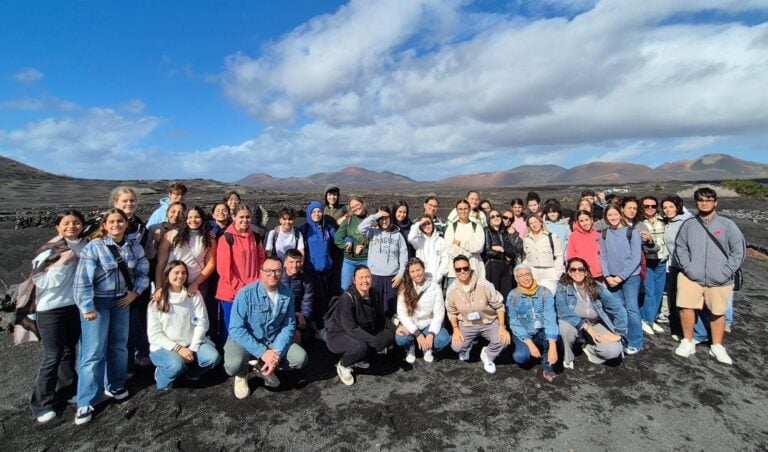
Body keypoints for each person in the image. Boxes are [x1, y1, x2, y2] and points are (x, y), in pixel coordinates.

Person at [73, 208, 150, 425]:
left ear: (126, 224)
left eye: (121, 221)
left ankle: (115, 384)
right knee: (93, 351)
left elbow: (143, 271)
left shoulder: (133, 246)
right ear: (104, 225)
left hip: (121, 302)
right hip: (98, 303)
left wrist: (135, 292)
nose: (117, 225)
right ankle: (86, 400)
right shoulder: (94, 248)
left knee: (119, 345)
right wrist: (86, 307)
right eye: (112, 222)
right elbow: (83, 280)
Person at [673, 187, 745, 365]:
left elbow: (738, 251)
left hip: (720, 278)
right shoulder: (689, 224)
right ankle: (687, 341)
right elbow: (680, 247)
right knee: (686, 307)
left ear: (715, 202)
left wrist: (726, 271)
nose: (704, 203)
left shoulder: (727, 225)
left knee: (718, 312)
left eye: (708, 200)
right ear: (696, 202)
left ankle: (717, 346)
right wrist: (688, 268)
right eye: (700, 200)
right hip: (691, 276)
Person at [29, 210, 87, 424]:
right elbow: (40, 280)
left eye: (76, 223)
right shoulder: (49, 250)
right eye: (67, 223)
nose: (72, 226)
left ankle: (66, 391)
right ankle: (41, 403)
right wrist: (63, 263)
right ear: (58, 227)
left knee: (69, 351)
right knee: (52, 355)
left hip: (73, 306)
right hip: (50, 308)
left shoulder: (84, 245)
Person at [223, 257, 308, 398]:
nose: (273, 275)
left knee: (300, 358)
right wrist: (262, 352)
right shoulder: (246, 293)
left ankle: (265, 366)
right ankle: (242, 373)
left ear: (282, 272)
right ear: (261, 272)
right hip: (245, 340)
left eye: (277, 271)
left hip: (272, 340)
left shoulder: (287, 294)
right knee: (233, 365)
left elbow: (289, 325)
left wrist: (277, 353)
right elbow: (236, 329)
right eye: (268, 271)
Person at [148, 261, 220, 391]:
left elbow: (202, 323)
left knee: (212, 357)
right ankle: (162, 378)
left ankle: (191, 373)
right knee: (175, 365)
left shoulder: (193, 294)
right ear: (167, 274)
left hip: (189, 344)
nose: (180, 276)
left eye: (183, 273)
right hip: (165, 347)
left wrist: (192, 348)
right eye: (176, 273)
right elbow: (154, 335)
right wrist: (178, 348)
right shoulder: (158, 300)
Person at [155, 206, 218, 342]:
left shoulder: (209, 238)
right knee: (170, 316)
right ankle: (172, 348)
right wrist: (159, 287)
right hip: (172, 284)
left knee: (195, 318)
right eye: (190, 217)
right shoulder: (172, 235)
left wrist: (196, 283)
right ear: (185, 218)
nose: (193, 220)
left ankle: (195, 346)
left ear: (203, 219)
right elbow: (161, 262)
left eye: (197, 217)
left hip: (197, 284)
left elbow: (211, 264)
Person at [325, 265, 395, 386]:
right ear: (354, 280)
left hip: (361, 331)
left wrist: (396, 328)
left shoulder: (375, 293)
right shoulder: (347, 299)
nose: (365, 281)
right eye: (361, 277)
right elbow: (351, 328)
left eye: (367, 277)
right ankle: (344, 364)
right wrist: (374, 341)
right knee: (360, 347)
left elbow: (381, 318)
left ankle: (359, 358)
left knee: (388, 335)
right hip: (339, 335)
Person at [555, 258, 626, 369]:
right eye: (573, 269)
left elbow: (618, 308)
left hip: (595, 323)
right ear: (568, 272)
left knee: (613, 351)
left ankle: (588, 348)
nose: (577, 272)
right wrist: (585, 327)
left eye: (580, 269)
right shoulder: (562, 287)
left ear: (586, 271)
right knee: (565, 328)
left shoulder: (597, 286)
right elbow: (562, 312)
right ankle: (568, 356)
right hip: (574, 322)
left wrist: (619, 333)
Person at [446, 256, 510, 374]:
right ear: (455, 271)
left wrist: (502, 327)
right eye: (458, 269)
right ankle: (467, 346)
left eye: (465, 268)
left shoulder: (485, 285)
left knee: (503, 340)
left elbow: (499, 306)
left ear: (470, 268)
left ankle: (488, 355)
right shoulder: (451, 290)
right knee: (457, 347)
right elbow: (451, 312)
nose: (462, 271)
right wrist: (455, 329)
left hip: (488, 322)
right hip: (467, 323)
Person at [216, 205, 265, 342]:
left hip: (252, 291)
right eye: (241, 217)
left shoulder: (255, 237)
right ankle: (228, 357)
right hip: (231, 292)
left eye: (247, 217)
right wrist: (240, 288)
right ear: (234, 217)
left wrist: (257, 285)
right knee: (231, 327)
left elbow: (261, 262)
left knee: (250, 327)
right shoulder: (226, 238)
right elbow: (224, 269)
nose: (245, 220)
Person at [599, 204, 643, 355]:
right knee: (619, 310)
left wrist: (620, 277)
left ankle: (636, 342)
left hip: (630, 277)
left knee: (632, 310)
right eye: (609, 215)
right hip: (611, 277)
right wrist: (607, 276)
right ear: (606, 217)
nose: (613, 218)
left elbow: (636, 258)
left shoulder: (632, 232)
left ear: (621, 214)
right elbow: (603, 257)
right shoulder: (604, 234)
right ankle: (621, 337)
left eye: (615, 214)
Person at [507, 264, 558, 382]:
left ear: (532, 275)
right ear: (516, 279)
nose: (525, 278)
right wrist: (530, 345)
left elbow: (551, 318)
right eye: (521, 276)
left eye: (527, 274)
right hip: (524, 333)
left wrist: (553, 348)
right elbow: (514, 323)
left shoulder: (545, 292)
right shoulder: (512, 295)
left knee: (553, 339)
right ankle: (534, 352)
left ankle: (547, 366)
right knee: (520, 357)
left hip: (541, 331)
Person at [394, 258, 451, 363]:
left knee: (443, 339)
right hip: (410, 323)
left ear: (423, 269)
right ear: (409, 273)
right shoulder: (404, 288)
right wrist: (416, 333)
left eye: (418, 270)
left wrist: (431, 333)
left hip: (427, 323)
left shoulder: (434, 287)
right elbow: (401, 313)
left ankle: (427, 347)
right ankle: (410, 347)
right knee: (401, 339)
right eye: (413, 271)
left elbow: (439, 312)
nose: (416, 274)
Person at [358, 206, 408, 317]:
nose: (384, 221)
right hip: (374, 276)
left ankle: (390, 329)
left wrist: (400, 274)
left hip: (392, 277)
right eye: (381, 218)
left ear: (391, 218)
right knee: (374, 305)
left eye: (386, 218)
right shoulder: (372, 232)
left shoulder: (398, 235)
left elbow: (404, 256)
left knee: (390, 306)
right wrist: (376, 215)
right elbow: (361, 228)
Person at [299, 201, 336, 338]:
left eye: (319, 211)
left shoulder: (328, 229)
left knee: (324, 300)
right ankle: (315, 327)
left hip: (326, 271)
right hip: (310, 270)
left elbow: (338, 239)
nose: (316, 214)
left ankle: (319, 328)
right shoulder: (305, 229)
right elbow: (293, 238)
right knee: (313, 300)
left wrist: (349, 238)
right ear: (309, 213)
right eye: (313, 211)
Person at [661, 195, 691, 339]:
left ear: (678, 207)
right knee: (673, 297)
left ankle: (689, 332)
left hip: (685, 267)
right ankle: (677, 328)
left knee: (685, 300)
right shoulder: (668, 222)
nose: (667, 210)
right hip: (672, 266)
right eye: (665, 207)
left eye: (671, 207)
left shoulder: (686, 222)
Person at [639, 196, 667, 335]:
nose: (650, 208)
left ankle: (653, 318)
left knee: (658, 292)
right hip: (647, 261)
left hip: (661, 260)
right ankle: (647, 320)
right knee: (649, 292)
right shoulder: (639, 222)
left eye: (653, 206)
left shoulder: (663, 221)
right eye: (646, 206)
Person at [483, 209, 523, 298]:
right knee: (494, 294)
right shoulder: (487, 231)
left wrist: (502, 249)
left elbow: (513, 252)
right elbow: (488, 251)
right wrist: (505, 256)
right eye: (492, 217)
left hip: (506, 267)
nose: (496, 218)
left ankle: (505, 312)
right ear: (488, 220)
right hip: (493, 266)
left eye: (497, 215)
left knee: (506, 295)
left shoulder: (504, 232)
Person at [444, 200, 486, 282]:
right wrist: (467, 254)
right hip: (456, 272)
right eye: (460, 209)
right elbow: (450, 249)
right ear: (457, 211)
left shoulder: (477, 227)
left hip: (475, 269)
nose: (463, 211)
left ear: (469, 209)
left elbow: (479, 247)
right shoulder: (451, 227)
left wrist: (460, 243)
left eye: (465, 208)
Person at [522, 215, 564, 294]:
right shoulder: (526, 239)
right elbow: (526, 256)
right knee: (534, 299)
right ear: (529, 226)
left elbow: (559, 256)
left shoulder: (552, 237)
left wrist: (557, 273)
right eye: (531, 223)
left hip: (549, 272)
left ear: (541, 222)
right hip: (533, 273)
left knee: (548, 299)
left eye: (535, 222)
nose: (534, 225)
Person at [334, 196, 369, 291]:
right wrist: (349, 246)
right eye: (353, 207)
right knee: (345, 288)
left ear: (363, 204)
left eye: (357, 205)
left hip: (366, 261)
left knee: (364, 289)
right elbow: (337, 239)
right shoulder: (349, 220)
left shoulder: (371, 221)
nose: (356, 208)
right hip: (349, 261)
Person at [281, 249, 314, 345]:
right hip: (282, 315)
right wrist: (295, 314)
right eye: (291, 262)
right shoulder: (278, 278)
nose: (295, 266)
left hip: (299, 316)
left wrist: (303, 316)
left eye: (298, 262)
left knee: (304, 335)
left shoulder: (306, 280)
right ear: (285, 262)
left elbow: (307, 302)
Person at [408, 215, 448, 286]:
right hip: (420, 279)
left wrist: (440, 274)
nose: (427, 226)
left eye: (428, 223)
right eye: (424, 224)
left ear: (432, 224)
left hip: (436, 280)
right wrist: (419, 223)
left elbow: (445, 258)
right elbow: (410, 238)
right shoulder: (418, 240)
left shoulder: (440, 241)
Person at [566, 210, 603, 280]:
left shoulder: (598, 235)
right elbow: (570, 256)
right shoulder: (573, 236)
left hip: (599, 274)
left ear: (591, 220)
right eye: (581, 221)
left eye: (587, 220)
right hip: (582, 274)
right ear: (578, 222)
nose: (585, 223)